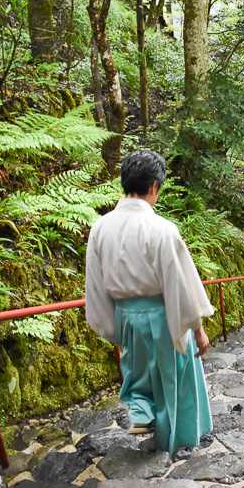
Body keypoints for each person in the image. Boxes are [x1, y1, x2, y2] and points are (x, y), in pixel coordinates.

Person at [84, 150, 214, 453]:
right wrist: (197, 329)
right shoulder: (163, 230)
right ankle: (173, 439)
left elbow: (95, 283)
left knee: (138, 373)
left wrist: (112, 325)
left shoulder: (100, 227)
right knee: (173, 376)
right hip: (162, 315)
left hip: (126, 318)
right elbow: (179, 286)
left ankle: (142, 416)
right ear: (155, 185)